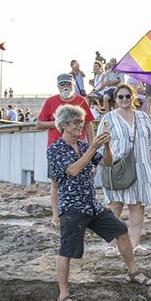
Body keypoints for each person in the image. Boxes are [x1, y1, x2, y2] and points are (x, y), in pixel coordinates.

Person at [47, 104, 151, 301]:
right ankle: (63, 294)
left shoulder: (84, 144)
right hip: (71, 207)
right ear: (64, 125)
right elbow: (73, 170)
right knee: (67, 251)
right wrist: (93, 147)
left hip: (91, 204)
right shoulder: (55, 149)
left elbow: (107, 162)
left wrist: (106, 145)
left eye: (82, 121)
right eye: (77, 122)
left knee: (121, 231)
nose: (82, 125)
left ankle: (133, 272)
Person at [99, 84, 151, 257]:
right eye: (120, 97)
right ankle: (111, 245)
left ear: (133, 97)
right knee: (116, 206)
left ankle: (135, 244)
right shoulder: (109, 118)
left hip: (141, 169)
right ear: (115, 99)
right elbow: (99, 144)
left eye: (127, 96)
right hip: (118, 168)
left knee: (137, 207)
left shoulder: (143, 117)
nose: (124, 99)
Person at [37, 73, 95, 231]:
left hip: (79, 147)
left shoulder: (81, 101)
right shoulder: (51, 101)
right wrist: (59, 124)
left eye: (68, 84)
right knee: (56, 183)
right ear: (57, 86)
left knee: (84, 180)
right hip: (56, 148)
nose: (65, 86)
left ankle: (85, 214)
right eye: (62, 84)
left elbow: (89, 124)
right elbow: (39, 124)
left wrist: (91, 146)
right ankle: (56, 216)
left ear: (73, 85)